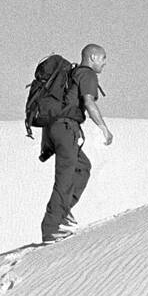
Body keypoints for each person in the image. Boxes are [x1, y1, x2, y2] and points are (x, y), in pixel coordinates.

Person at [40, 44, 112, 243]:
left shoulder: (73, 74)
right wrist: (103, 128)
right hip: (65, 128)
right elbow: (89, 102)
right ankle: (51, 228)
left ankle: (62, 212)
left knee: (82, 167)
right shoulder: (87, 74)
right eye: (103, 58)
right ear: (93, 57)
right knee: (65, 175)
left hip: (56, 128)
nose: (105, 63)